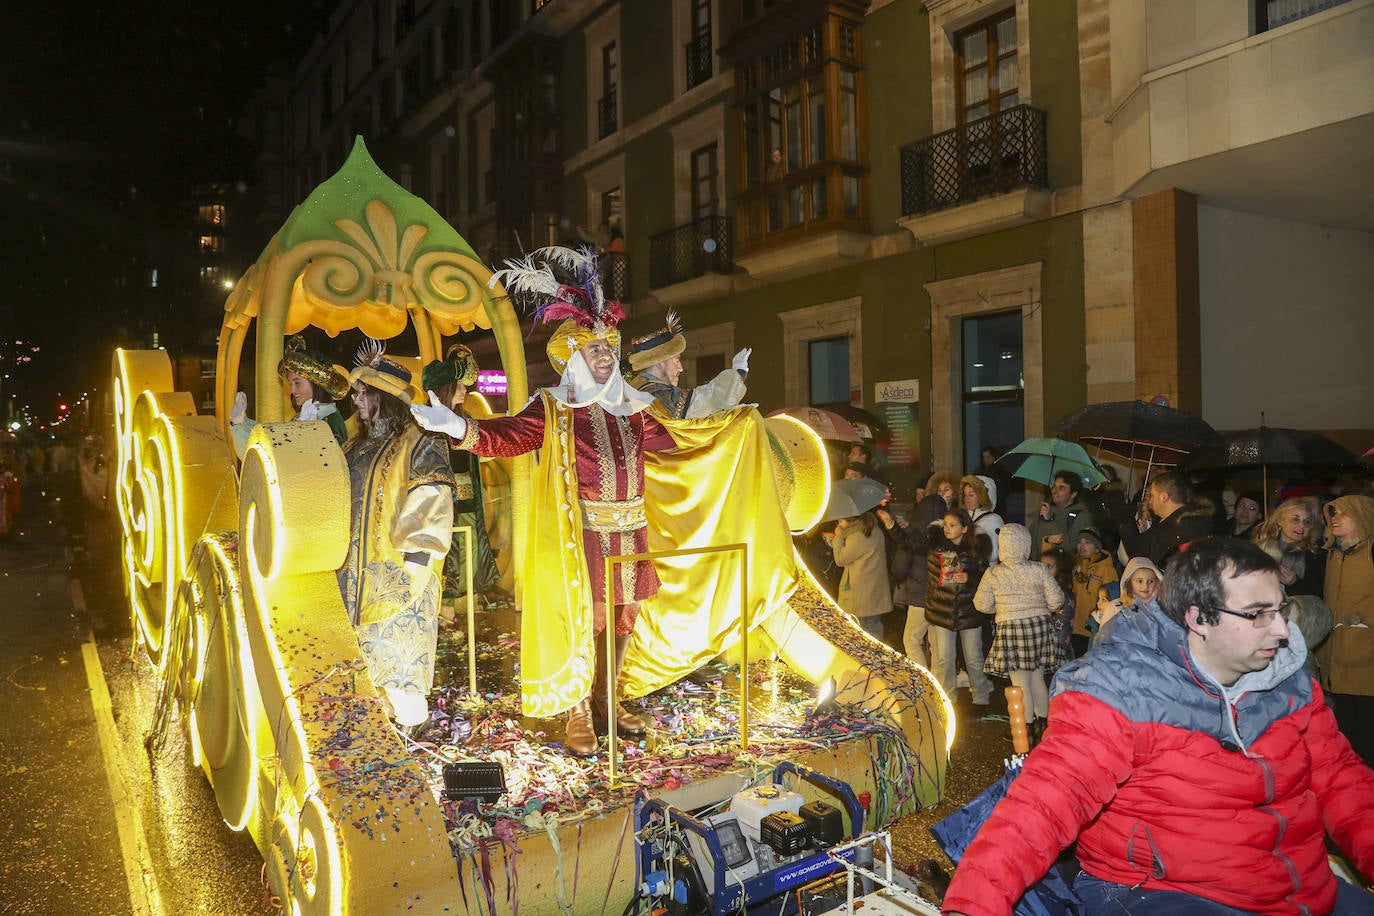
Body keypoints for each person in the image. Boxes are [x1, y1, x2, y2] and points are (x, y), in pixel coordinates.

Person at [942, 537, 1374, 916]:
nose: (1281, 630)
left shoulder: (1289, 677)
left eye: (1279, 609)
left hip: (1295, 887)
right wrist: (973, 903)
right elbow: (1045, 800)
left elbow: (1343, 783)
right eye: (1258, 614)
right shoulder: (1121, 686)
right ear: (1198, 618)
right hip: (1159, 891)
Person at [410, 246, 681, 756]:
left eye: (608, 349)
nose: (604, 358)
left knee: (625, 615)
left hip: (631, 529)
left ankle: (608, 695)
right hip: (578, 537)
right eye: (593, 351)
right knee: (586, 618)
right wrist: (459, 427)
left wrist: (723, 420)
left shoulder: (636, 410)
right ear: (575, 359)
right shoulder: (555, 409)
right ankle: (578, 707)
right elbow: (509, 435)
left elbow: (680, 445)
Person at [337, 340, 456, 732]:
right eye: (356, 392)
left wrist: (417, 560)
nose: (356, 400)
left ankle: (412, 724)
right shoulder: (355, 444)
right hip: (352, 570)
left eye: (364, 393)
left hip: (398, 570)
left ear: (385, 398)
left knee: (398, 658)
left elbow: (432, 496)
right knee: (361, 656)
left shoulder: (419, 443)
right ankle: (380, 724)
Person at [421, 344, 502, 604]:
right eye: (459, 386)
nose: (465, 391)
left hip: (467, 501)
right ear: (446, 389)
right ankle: (446, 603)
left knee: (471, 547)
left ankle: (465, 598)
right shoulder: (430, 421)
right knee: (450, 552)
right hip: (444, 503)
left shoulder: (462, 418)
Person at [973, 524, 1067, 745]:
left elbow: (980, 604)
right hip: (1039, 625)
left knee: (1020, 680)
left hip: (1011, 627)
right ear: (1026, 544)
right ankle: (1043, 726)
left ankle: (1024, 729)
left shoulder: (993, 573)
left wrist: (1002, 609)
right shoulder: (1039, 569)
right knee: (1037, 677)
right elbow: (1057, 600)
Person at [1320, 494, 1374, 768]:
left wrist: (1365, 618)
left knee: (1367, 735)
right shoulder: (1333, 553)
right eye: (1333, 513)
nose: (1335, 518)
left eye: (1343, 512)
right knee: (1347, 736)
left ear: (1362, 517)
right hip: (1337, 658)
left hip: (1366, 659)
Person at [231, 335, 351, 455]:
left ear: (316, 383)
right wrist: (240, 424)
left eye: (297, 383)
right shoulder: (306, 417)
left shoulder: (329, 422)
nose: (292, 390)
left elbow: (285, 454)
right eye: (291, 384)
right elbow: (276, 443)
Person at [924, 508, 993, 710]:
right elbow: (931, 580)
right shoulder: (935, 549)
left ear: (964, 528)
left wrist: (969, 579)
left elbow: (986, 579)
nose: (947, 529)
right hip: (942, 611)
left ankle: (981, 698)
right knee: (945, 658)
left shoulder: (976, 550)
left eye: (952, 525)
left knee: (973, 658)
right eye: (945, 524)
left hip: (970, 613)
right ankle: (948, 699)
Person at [623, 310, 750, 420]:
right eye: (676, 360)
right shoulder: (654, 394)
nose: (681, 368)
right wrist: (738, 373)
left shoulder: (636, 387)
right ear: (660, 362)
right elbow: (701, 402)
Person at [1122, 469, 1217, 568]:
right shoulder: (1181, 521)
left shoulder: (1179, 527)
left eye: (1153, 496)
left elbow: (1150, 564)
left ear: (1164, 497)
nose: (1150, 502)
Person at [828, 510, 891, 643]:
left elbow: (840, 559)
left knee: (859, 633)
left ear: (849, 521)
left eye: (840, 521)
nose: (839, 525)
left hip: (860, 595)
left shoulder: (857, 536)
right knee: (874, 629)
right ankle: (877, 660)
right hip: (874, 592)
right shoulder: (875, 531)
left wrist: (838, 538)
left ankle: (867, 662)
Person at [1253, 497, 1327, 597]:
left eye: (1307, 522)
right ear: (1280, 521)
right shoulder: (1260, 547)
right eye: (1295, 519)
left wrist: (1294, 583)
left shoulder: (1316, 553)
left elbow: (1318, 593)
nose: (1301, 526)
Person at [1070, 529, 1118, 656]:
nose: (1082, 546)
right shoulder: (1077, 566)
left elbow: (1112, 598)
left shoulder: (1106, 569)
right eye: (1079, 542)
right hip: (1077, 625)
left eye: (1087, 542)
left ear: (1097, 547)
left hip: (1094, 627)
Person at [1029, 470, 1095, 557]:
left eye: (1061, 488)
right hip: (1036, 566)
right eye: (1054, 486)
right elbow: (1030, 539)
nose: (1054, 491)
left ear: (1073, 494)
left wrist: (1049, 521)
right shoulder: (1046, 510)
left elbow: (1070, 546)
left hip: (1062, 567)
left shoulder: (1082, 516)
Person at [959, 475, 1003, 564]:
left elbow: (993, 553)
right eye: (965, 494)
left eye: (971, 495)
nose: (966, 498)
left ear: (982, 497)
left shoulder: (993, 520)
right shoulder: (961, 517)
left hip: (985, 573)